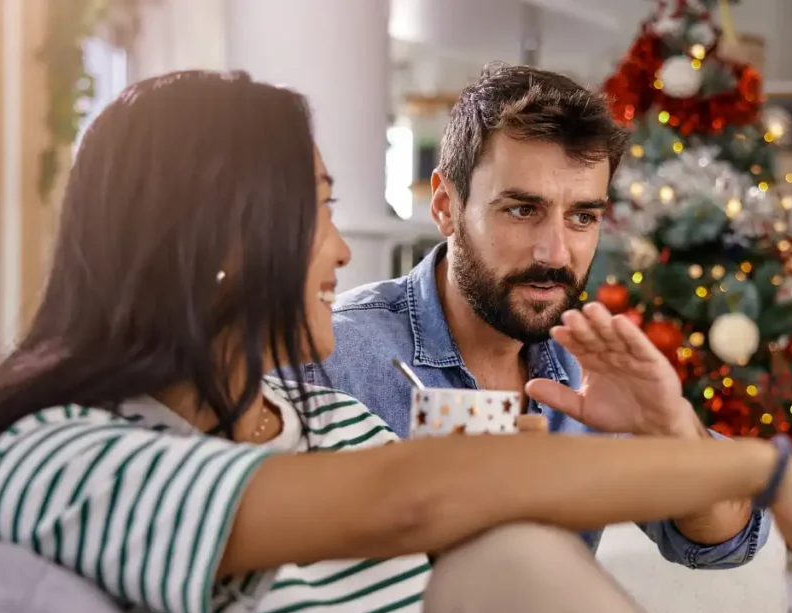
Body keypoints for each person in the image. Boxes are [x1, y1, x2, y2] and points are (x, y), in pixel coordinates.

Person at [0, 71, 792, 613]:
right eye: (318, 210)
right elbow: (414, 496)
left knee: (503, 555)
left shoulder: (306, 414)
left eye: (584, 215)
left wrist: (671, 441)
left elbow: (467, 539)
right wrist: (756, 465)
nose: (341, 249)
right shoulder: (56, 452)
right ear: (216, 239)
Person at [304, 63, 756, 561]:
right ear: (445, 206)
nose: (555, 254)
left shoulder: (591, 374)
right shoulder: (334, 357)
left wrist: (671, 430)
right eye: (523, 210)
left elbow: (724, 542)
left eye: (583, 217)